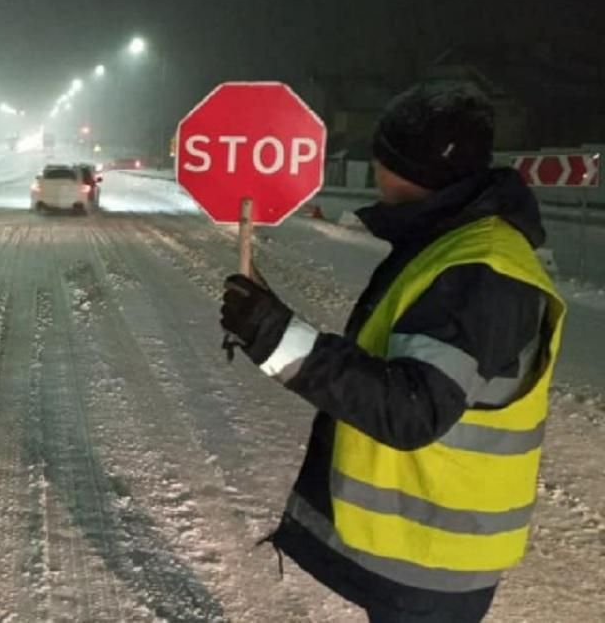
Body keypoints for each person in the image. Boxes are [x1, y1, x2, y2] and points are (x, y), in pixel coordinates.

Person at [220, 82, 563, 623]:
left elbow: (411, 409)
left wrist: (275, 336)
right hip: (424, 550)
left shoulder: (480, 271)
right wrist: (272, 322)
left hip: (436, 556)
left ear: (418, 171)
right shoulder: (454, 246)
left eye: (384, 159)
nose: (376, 171)